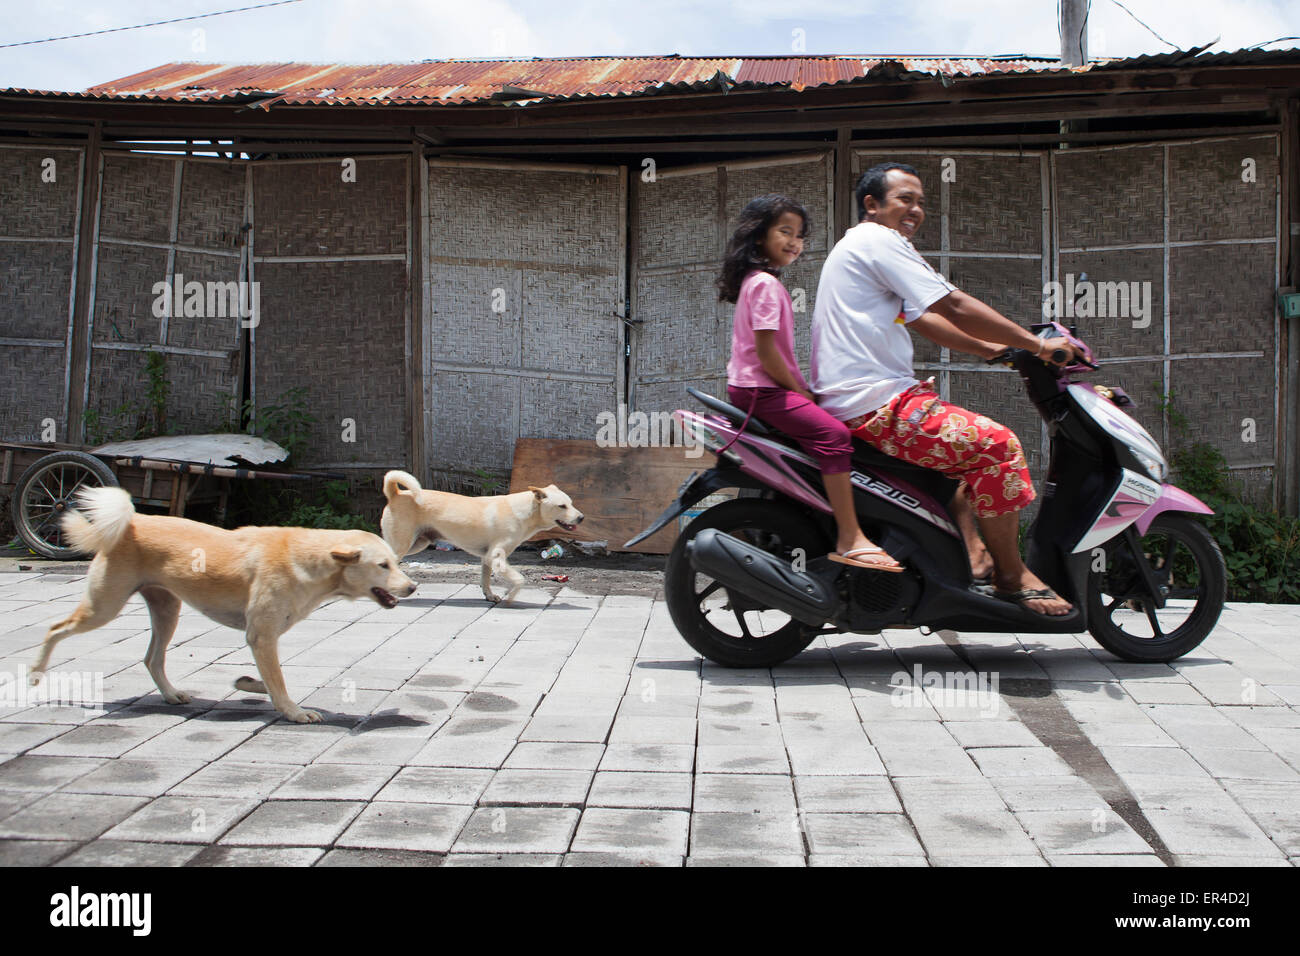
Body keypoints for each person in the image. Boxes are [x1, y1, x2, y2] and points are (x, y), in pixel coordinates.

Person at [811, 164, 1084, 616]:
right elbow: (951, 303)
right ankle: (1012, 576)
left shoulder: (864, 247)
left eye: (920, 202)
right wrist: (1036, 344)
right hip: (874, 403)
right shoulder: (879, 240)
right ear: (872, 205)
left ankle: (974, 558)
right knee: (998, 447)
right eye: (904, 199)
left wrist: (990, 349)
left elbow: (921, 317)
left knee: (958, 461)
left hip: (869, 398)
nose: (915, 210)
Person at [719, 194, 902, 573]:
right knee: (835, 436)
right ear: (758, 237)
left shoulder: (756, 281)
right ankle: (850, 536)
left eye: (799, 235)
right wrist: (800, 391)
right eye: (784, 231)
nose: (794, 242)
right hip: (762, 390)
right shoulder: (767, 284)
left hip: (751, 387)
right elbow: (767, 353)